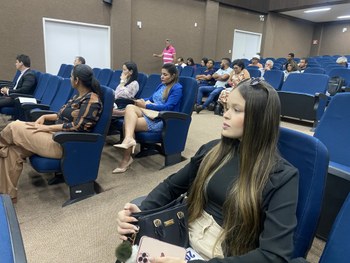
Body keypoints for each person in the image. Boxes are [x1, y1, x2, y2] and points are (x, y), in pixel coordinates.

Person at [117, 78, 299, 262]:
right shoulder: (212, 150)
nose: (226, 115)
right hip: (182, 236)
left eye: (236, 110)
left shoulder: (281, 177)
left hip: (221, 255)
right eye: (227, 107)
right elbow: (171, 186)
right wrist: (140, 212)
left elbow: (274, 255)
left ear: (260, 119)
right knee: (127, 255)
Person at [0, 64, 103, 203]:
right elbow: (61, 114)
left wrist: (47, 129)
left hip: (63, 143)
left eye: (71, 77)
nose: (70, 79)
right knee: (12, 151)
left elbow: (79, 127)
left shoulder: (91, 99)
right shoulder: (78, 96)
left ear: (77, 80)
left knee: (14, 126)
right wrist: (45, 117)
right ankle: (8, 197)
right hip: (54, 136)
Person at [113, 63, 182, 173]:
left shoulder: (177, 88)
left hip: (161, 118)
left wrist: (146, 105)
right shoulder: (161, 85)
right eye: (161, 74)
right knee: (130, 106)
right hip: (151, 112)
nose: (162, 77)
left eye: (165, 75)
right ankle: (129, 139)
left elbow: (168, 107)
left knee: (127, 123)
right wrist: (140, 100)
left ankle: (126, 159)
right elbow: (151, 98)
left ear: (173, 76)